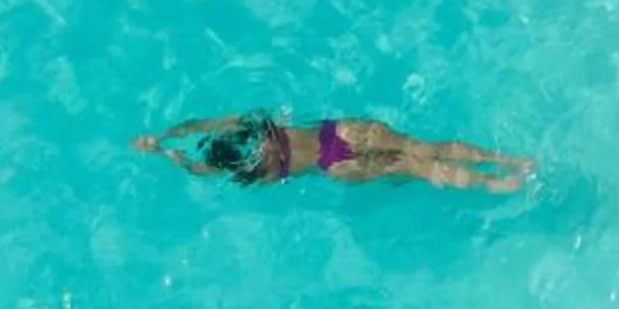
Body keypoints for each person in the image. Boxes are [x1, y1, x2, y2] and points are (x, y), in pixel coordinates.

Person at [131, 111, 534, 193]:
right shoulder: (255, 123)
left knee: (415, 167)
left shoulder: (256, 170)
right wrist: (162, 136)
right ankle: (507, 161)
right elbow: (201, 125)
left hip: (334, 164)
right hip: (338, 131)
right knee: (422, 148)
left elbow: (200, 170)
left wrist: (166, 153)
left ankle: (494, 183)